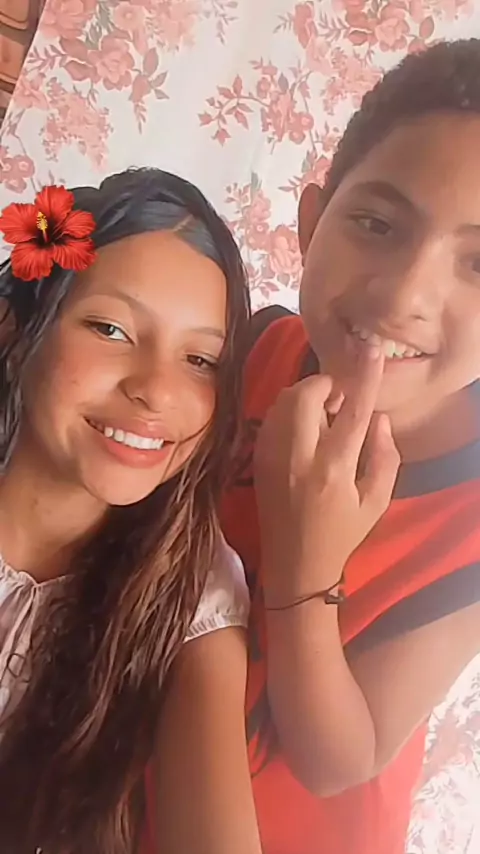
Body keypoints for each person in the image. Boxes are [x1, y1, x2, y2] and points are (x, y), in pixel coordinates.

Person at [221, 38, 480, 854]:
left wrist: (305, 563)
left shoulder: (471, 521)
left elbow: (339, 761)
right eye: (376, 224)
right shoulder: (253, 350)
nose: (406, 294)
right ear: (310, 223)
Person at [0, 169, 262, 854]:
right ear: (18, 329)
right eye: (111, 328)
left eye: (200, 359)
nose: (156, 390)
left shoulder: (192, 590)